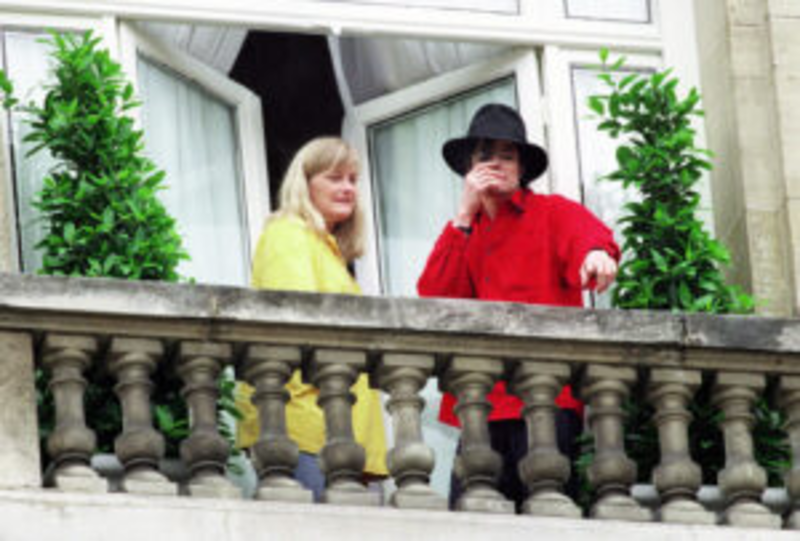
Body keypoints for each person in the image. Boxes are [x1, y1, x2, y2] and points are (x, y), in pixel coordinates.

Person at [417, 103, 620, 510]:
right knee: (470, 522)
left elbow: (590, 237)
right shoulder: (463, 231)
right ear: (468, 168)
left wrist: (597, 254)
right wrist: (464, 213)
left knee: (547, 518)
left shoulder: (552, 212)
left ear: (521, 167)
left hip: (545, 400)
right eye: (484, 156)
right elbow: (435, 300)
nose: (495, 164)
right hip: (480, 403)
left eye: (507, 155)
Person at [237, 137, 388, 501]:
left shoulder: (326, 249)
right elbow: (296, 332)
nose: (348, 188)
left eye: (352, 179)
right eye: (334, 177)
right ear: (304, 184)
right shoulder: (288, 233)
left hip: (337, 434)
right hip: (305, 429)